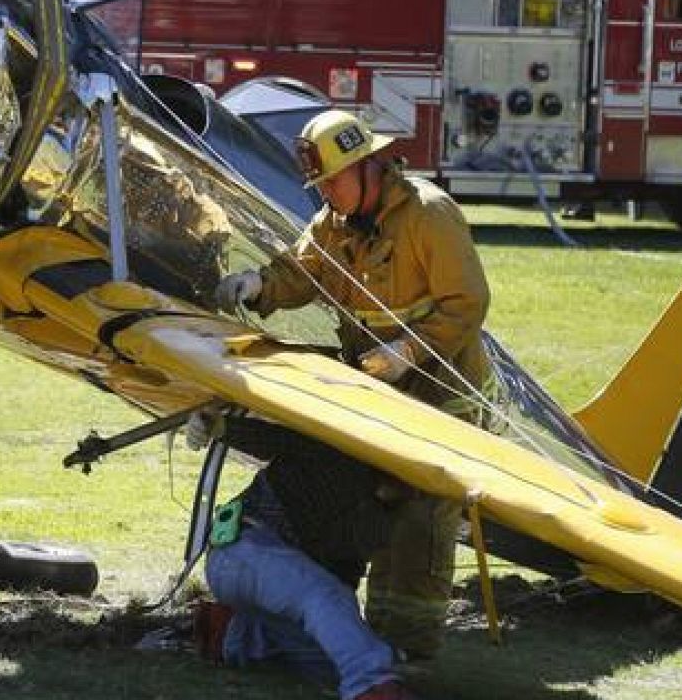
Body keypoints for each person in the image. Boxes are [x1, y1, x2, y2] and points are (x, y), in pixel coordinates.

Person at [212, 108, 496, 660]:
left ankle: (406, 655)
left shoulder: (429, 215)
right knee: (366, 512)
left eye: (334, 181)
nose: (327, 195)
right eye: (319, 185)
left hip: (443, 403)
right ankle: (350, 637)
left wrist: (407, 351)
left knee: (419, 524)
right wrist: (256, 285)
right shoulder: (333, 225)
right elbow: (300, 273)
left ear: (369, 167)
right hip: (383, 402)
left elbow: (468, 303)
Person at [193, 409, 447, 700]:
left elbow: (342, 577)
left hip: (258, 579)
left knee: (326, 662)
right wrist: (220, 425)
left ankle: (232, 634)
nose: (418, 491)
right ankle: (371, 688)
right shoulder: (339, 453)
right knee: (326, 598)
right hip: (246, 547)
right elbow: (281, 440)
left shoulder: (383, 520)